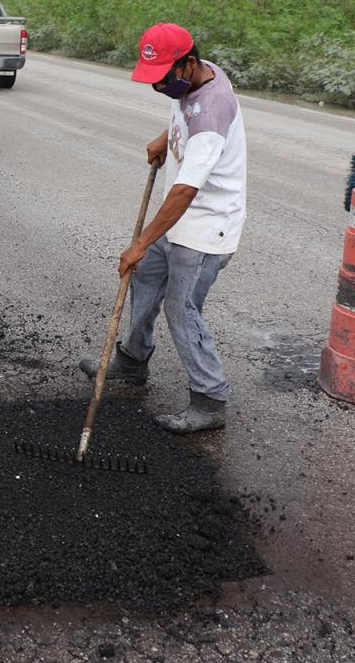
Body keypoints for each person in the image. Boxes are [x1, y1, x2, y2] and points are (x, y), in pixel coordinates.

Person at [79, 23, 247, 434]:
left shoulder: (210, 113)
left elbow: (185, 190)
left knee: (181, 308)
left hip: (205, 228)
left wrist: (140, 242)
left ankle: (210, 398)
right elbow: (182, 115)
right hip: (179, 219)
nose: (159, 89)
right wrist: (164, 137)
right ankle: (132, 361)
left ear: (188, 64)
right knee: (146, 278)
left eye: (164, 80)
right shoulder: (197, 75)